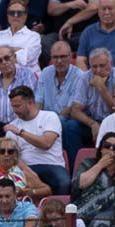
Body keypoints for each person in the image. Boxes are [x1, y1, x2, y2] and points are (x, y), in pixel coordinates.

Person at [37, 40, 89, 171]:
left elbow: (70, 109)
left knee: (66, 124)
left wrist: (50, 122)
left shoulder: (80, 76)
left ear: (71, 56)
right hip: (48, 119)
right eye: (55, 57)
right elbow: (38, 102)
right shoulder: (45, 73)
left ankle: (74, 169)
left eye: (63, 57)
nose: (59, 61)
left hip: (70, 119)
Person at [70, 48, 115, 143]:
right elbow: (75, 110)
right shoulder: (85, 77)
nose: (98, 70)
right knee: (71, 126)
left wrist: (102, 89)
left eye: (102, 66)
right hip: (93, 121)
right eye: (94, 67)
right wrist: (92, 123)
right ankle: (75, 158)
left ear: (111, 63)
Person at [0, 0, 43, 83]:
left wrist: (0, 50)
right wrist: (16, 50)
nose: (15, 16)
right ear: (8, 15)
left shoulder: (34, 36)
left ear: (25, 15)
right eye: (12, 13)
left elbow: (26, 58)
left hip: (25, 79)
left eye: (19, 13)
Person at [0, 44, 38, 125]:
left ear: (15, 57)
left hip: (23, 125)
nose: (4, 62)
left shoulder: (27, 75)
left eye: (7, 58)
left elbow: (29, 103)